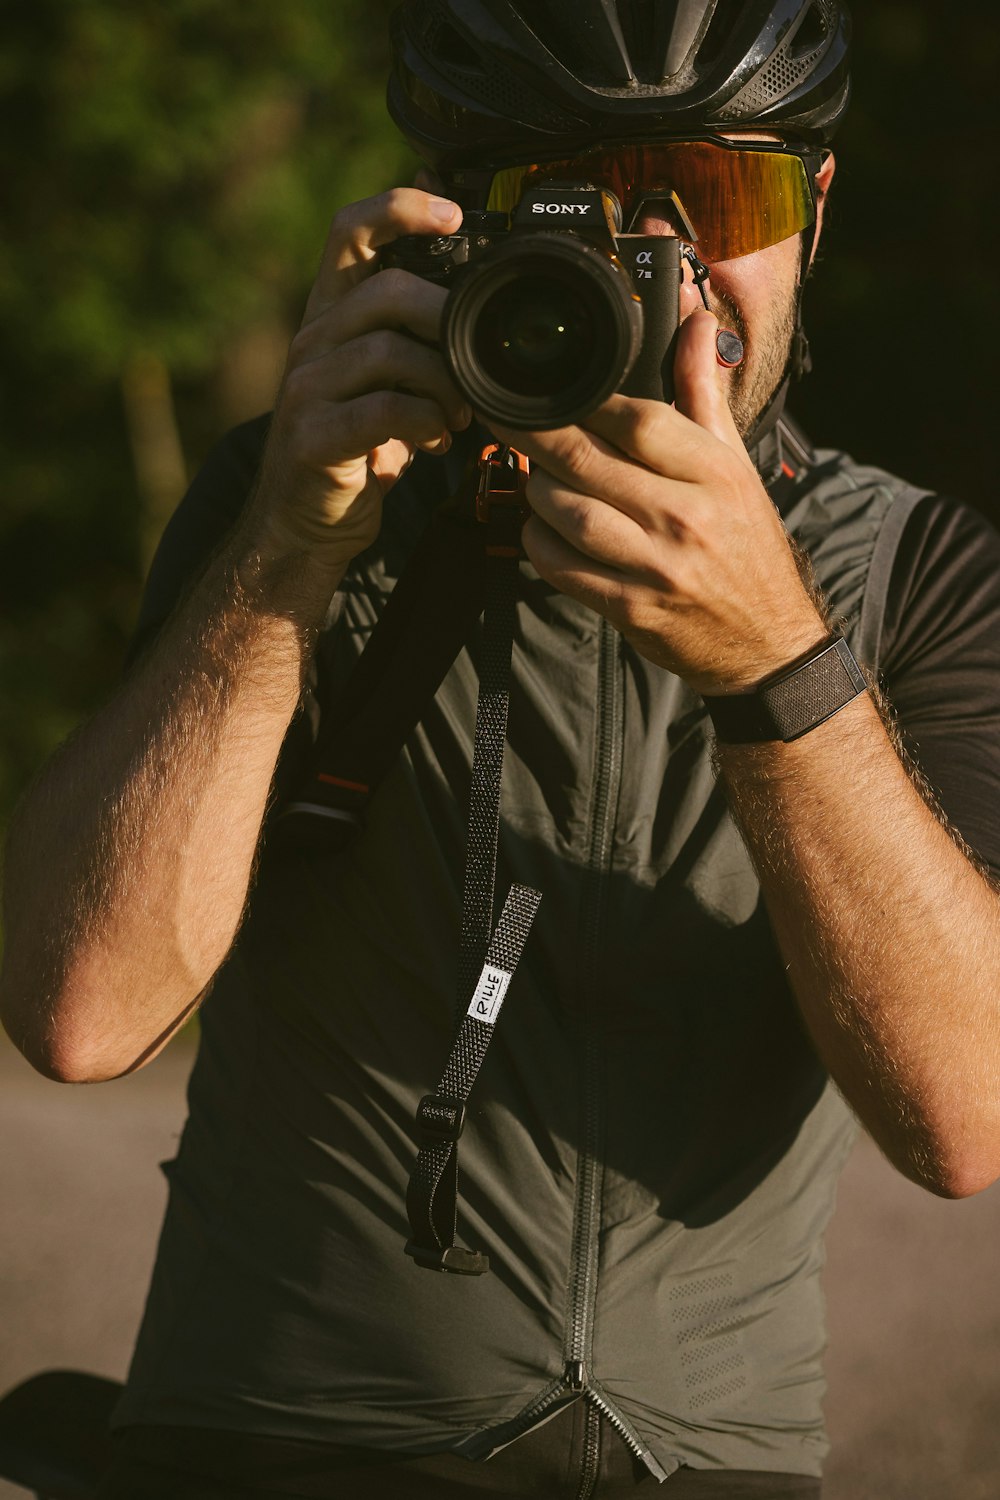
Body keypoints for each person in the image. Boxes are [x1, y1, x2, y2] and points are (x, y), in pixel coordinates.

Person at [3, 2, 1000, 1496]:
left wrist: (778, 665)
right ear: (457, 219)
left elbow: (966, 1118)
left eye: (723, 196)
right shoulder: (312, 499)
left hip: (711, 1468)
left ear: (819, 210)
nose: (662, 264)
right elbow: (79, 1017)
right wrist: (286, 544)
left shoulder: (917, 573)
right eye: (586, 199)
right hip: (270, 1443)